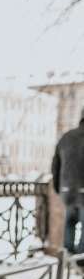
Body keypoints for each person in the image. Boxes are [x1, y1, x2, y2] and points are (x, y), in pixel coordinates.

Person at [52, 109, 84, 268]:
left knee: (69, 223)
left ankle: (67, 256)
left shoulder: (66, 137)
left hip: (67, 190)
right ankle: (80, 261)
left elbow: (55, 166)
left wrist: (59, 188)